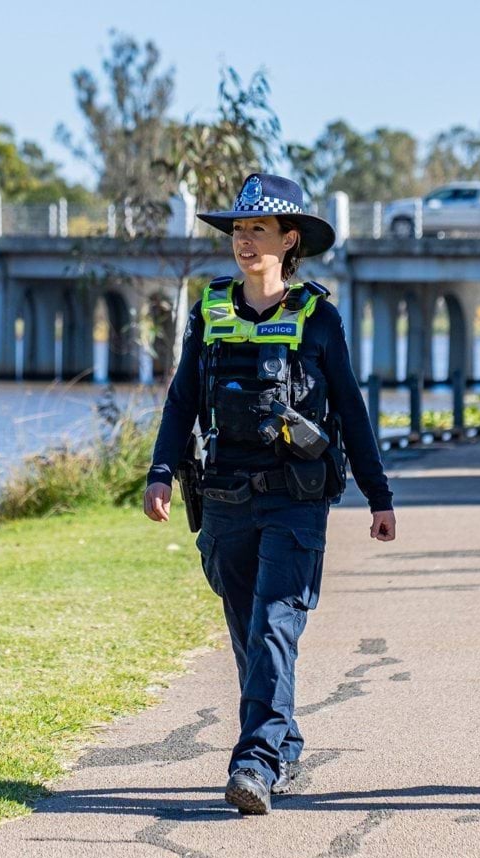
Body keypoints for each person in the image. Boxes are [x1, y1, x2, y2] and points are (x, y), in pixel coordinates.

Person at [144, 173, 396, 816]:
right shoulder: (212, 309)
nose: (244, 240)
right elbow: (180, 402)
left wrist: (379, 494)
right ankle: (279, 740)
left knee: (274, 627)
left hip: (296, 499)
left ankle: (253, 762)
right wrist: (161, 472)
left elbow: (349, 407)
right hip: (225, 497)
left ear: (289, 241)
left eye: (258, 229)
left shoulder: (318, 316)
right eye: (237, 230)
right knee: (248, 635)